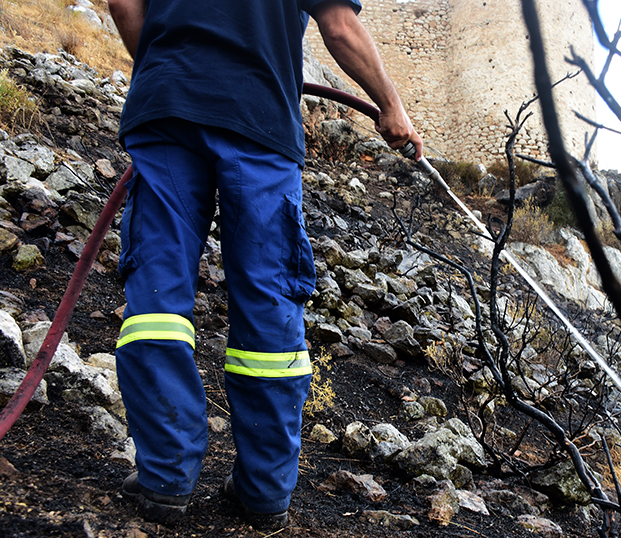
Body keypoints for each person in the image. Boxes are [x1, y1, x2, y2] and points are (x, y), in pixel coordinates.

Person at [106, 0, 422, 529]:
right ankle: (265, 490)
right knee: (269, 299)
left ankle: (165, 476)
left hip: (167, 110)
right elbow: (339, 27)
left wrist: (168, 70)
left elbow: (123, 3)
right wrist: (391, 106)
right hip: (260, 122)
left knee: (156, 299)